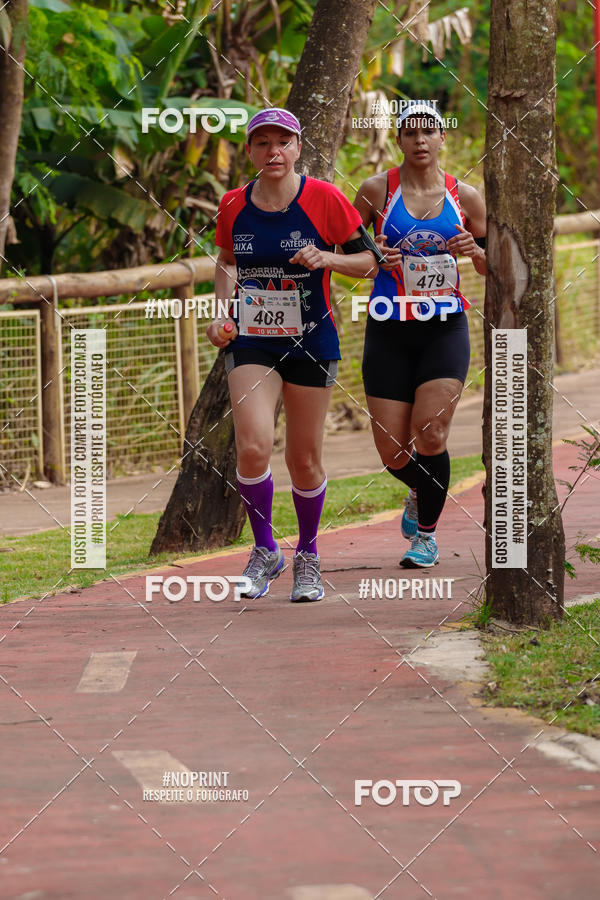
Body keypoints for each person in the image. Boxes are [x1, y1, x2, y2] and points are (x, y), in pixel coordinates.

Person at [207, 107, 379, 601]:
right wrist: (221, 314)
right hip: (252, 340)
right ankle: (265, 550)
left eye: (283, 142)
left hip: (312, 339)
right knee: (253, 446)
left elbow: (370, 262)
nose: (274, 151)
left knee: (303, 459)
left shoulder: (324, 198)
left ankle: (307, 554)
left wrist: (328, 258)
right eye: (263, 143)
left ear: (298, 148)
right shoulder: (233, 203)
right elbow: (227, 261)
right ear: (250, 151)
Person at [354, 102, 486, 568]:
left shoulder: (465, 196)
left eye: (428, 131)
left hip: (444, 327)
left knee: (431, 433)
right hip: (389, 326)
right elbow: (346, 249)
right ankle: (420, 487)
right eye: (410, 133)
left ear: (442, 137)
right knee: (392, 451)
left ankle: (426, 538)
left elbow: (494, 264)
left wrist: (475, 251)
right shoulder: (376, 190)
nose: (420, 140)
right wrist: (374, 253)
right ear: (399, 140)